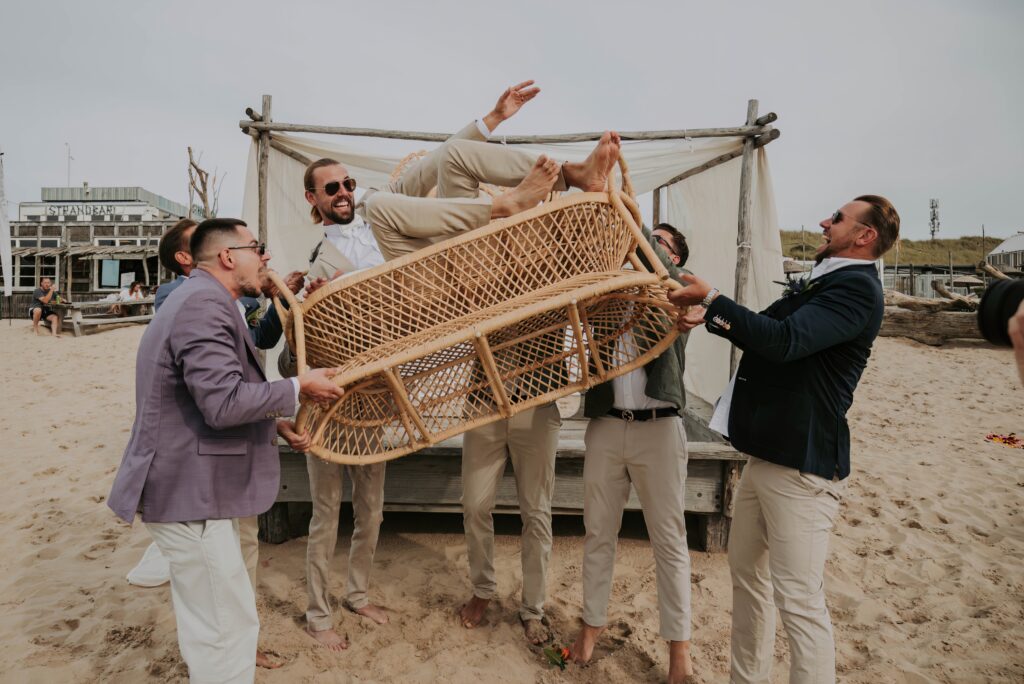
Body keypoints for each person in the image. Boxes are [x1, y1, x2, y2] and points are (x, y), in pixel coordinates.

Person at [669, 196, 900, 684]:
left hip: (802, 467)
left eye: (837, 218)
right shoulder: (828, 281)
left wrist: (711, 300)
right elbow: (767, 328)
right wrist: (705, 313)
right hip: (766, 455)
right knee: (747, 577)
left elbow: (782, 342)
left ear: (865, 237)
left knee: (799, 600)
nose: (824, 221)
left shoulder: (856, 289)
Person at [106, 218, 344, 683]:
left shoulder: (202, 300)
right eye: (258, 248)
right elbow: (221, 403)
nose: (267, 257)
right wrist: (297, 386)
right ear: (229, 257)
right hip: (189, 495)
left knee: (218, 619)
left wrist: (272, 424)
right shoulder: (201, 307)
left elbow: (201, 398)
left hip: (191, 491)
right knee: (225, 627)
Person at [567, 228, 695, 683]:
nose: (650, 245)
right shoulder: (606, 291)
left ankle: (679, 651)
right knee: (597, 533)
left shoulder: (680, 292)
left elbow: (670, 274)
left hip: (660, 430)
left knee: (670, 542)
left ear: (674, 256)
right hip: (606, 426)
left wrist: (641, 237)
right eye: (647, 238)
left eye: (661, 242)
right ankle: (590, 629)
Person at [286, 157, 389, 653]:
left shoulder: (384, 239)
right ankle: (318, 614)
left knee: (372, 511)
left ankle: (358, 594)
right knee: (325, 513)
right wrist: (308, 309)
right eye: (332, 187)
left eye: (349, 184)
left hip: (378, 396)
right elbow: (292, 359)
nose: (343, 192)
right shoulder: (314, 264)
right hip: (329, 406)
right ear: (314, 198)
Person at [154, 218, 304, 349]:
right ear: (183, 257)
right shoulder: (170, 294)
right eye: (197, 240)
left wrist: (282, 296)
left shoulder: (238, 298)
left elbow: (262, 337)